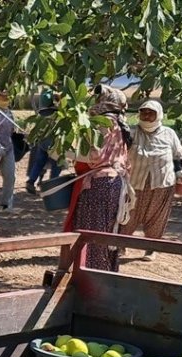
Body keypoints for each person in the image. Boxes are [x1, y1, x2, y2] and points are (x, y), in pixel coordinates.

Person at [63, 85, 135, 271]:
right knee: (108, 230)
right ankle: (108, 273)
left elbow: (95, 155)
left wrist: (66, 152)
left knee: (92, 232)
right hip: (116, 183)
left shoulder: (103, 123)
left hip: (100, 184)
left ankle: (92, 273)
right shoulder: (120, 122)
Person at [120, 100, 182, 256]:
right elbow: (122, 149)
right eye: (143, 112)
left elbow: (177, 154)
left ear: (159, 115)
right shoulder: (132, 132)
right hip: (134, 182)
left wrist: (179, 170)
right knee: (128, 214)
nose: (146, 115)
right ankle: (121, 246)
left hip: (162, 184)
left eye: (151, 113)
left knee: (157, 217)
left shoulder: (169, 133)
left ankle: (151, 250)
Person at [25, 88, 62, 194]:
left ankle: (31, 182)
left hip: (42, 142)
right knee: (57, 164)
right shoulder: (56, 113)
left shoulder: (40, 113)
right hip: (53, 143)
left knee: (39, 162)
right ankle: (52, 185)